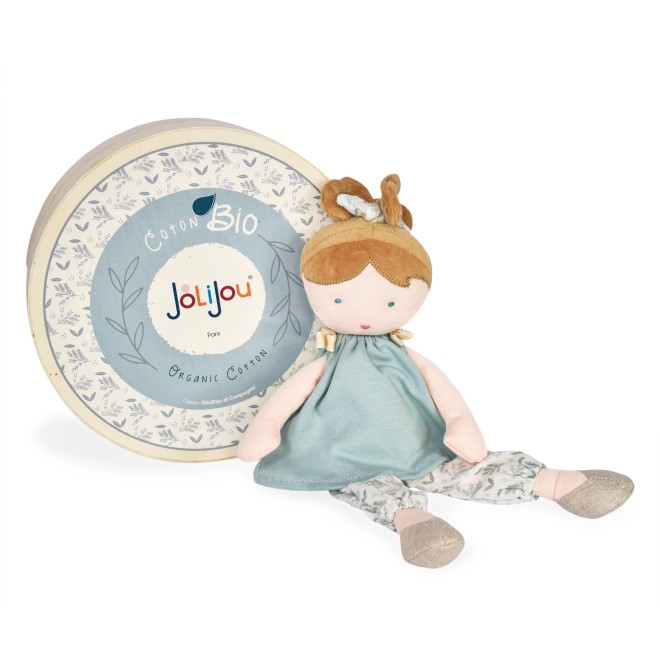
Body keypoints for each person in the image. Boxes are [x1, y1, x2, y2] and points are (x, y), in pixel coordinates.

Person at [237, 174, 634, 568]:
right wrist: (267, 426)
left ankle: (555, 483)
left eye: (390, 303)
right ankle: (413, 521)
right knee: (369, 488)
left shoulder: (407, 357)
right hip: (344, 457)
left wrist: (461, 424)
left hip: (421, 447)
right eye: (338, 299)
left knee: (465, 468)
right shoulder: (328, 360)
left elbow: (446, 396)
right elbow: (291, 394)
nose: (367, 314)